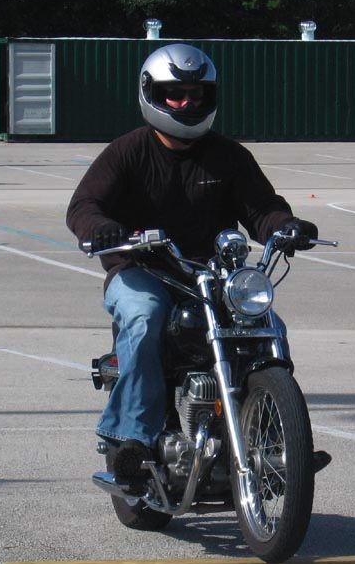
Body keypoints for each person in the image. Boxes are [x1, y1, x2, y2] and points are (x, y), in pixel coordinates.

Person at [66, 43, 325, 489]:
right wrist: (101, 228)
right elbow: (84, 205)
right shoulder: (128, 152)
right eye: (175, 94)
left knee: (268, 325)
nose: (187, 103)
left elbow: (261, 207)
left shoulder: (228, 156)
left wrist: (285, 226)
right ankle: (132, 441)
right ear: (152, 93)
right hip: (142, 270)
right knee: (145, 317)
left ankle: (275, 437)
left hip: (211, 275)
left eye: (196, 94)